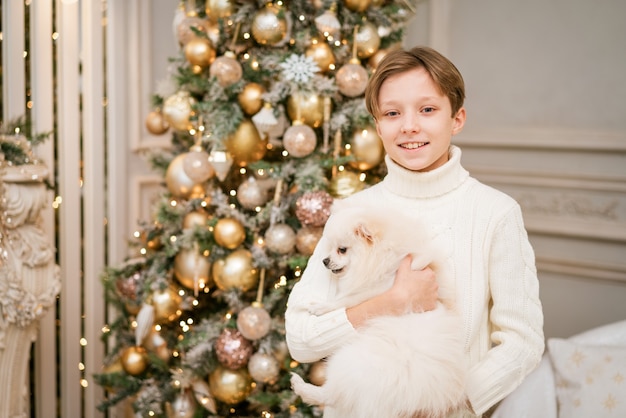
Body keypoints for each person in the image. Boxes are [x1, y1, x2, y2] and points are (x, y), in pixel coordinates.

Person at [284, 46, 545, 417]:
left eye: (427, 109)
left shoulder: (495, 214)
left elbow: (523, 341)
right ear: (378, 125)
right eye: (392, 113)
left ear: (457, 119)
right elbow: (300, 338)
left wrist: (452, 403)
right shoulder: (351, 215)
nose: (409, 126)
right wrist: (389, 302)